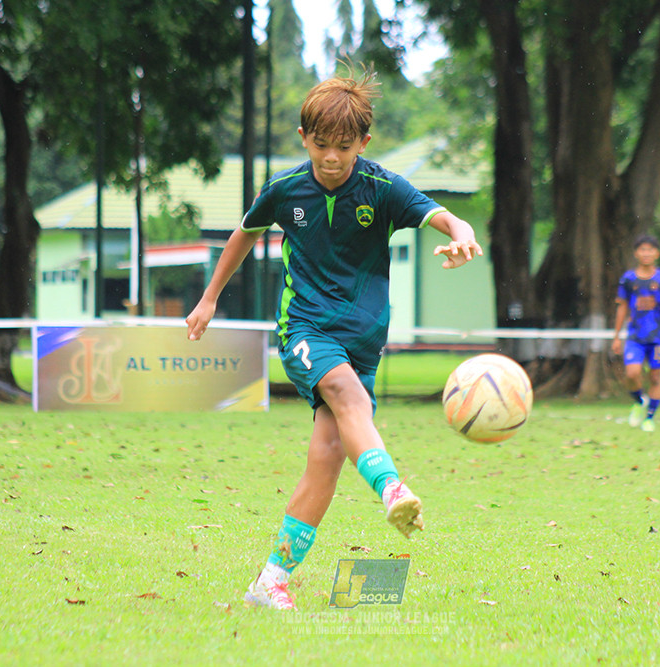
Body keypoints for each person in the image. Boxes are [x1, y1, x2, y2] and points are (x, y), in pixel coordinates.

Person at [185, 66, 483, 610]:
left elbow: (444, 217)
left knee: (325, 458)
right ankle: (393, 488)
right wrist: (209, 299)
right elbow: (242, 236)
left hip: (363, 344)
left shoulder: (382, 188)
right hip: (305, 329)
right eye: (320, 145)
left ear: (363, 143)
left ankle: (269, 581)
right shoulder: (284, 190)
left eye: (343, 147)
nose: (330, 157)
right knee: (347, 397)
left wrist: (463, 236)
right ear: (304, 139)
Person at [611, 234, 660, 432]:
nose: (646, 253)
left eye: (650, 249)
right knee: (632, 373)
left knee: (655, 378)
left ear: (657, 253)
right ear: (636, 253)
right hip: (635, 337)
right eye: (642, 249)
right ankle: (638, 401)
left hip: (657, 339)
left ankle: (649, 418)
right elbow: (622, 308)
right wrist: (616, 336)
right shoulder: (628, 279)